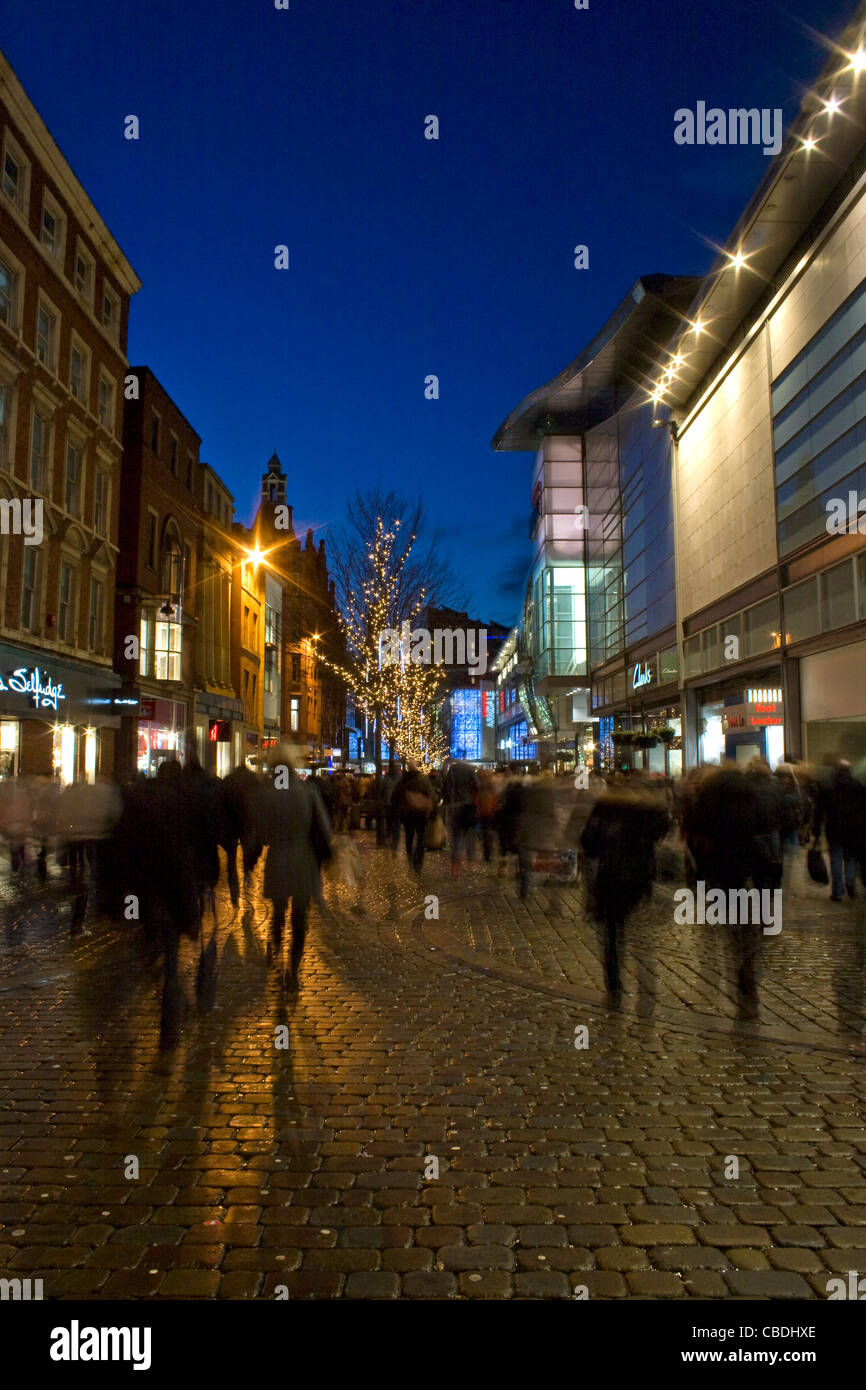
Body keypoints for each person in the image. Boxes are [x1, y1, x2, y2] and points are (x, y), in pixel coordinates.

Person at [580, 786, 669, 1007]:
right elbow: (661, 832)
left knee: (611, 932)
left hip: (609, 875)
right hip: (639, 876)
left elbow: (589, 843)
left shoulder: (604, 809)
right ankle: (646, 984)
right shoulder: (645, 810)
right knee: (640, 931)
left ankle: (613, 985)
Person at [261, 741, 332, 989]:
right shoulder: (307, 792)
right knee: (300, 919)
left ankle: (276, 944)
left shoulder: (268, 794)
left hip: (278, 860)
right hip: (303, 861)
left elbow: (261, 832)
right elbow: (324, 827)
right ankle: (293, 968)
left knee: (279, 912)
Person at [813, 757, 865, 902]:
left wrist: (816, 829)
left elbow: (819, 810)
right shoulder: (857, 785)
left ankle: (837, 892)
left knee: (835, 858)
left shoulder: (828, 787)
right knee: (850, 857)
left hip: (834, 828)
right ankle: (850, 882)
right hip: (854, 829)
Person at [397, 760, 435, 874]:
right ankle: (418, 862)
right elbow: (431, 795)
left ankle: (410, 859)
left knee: (409, 838)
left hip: (407, 814)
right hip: (420, 813)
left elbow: (396, 797)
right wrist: (434, 811)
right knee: (420, 839)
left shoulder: (402, 781)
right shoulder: (423, 780)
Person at [442, 759, 479, 875]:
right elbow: (477, 786)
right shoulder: (470, 770)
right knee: (470, 835)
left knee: (456, 837)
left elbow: (446, 788)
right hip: (468, 806)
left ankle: (455, 865)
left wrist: (448, 804)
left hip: (455, 806)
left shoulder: (452, 770)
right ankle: (471, 861)